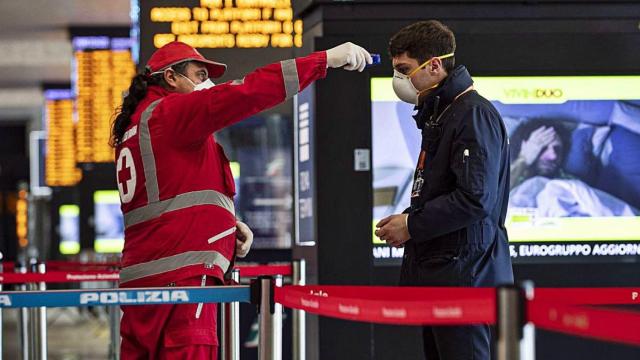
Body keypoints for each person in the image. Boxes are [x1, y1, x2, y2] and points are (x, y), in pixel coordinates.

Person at [111, 40, 372, 359]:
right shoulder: (170, 113)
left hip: (143, 284)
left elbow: (164, 198)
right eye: (199, 73)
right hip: (182, 280)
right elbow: (248, 91)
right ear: (171, 77)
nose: (207, 82)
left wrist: (223, 225)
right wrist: (324, 61)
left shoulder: (138, 126)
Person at [375, 20, 514, 359]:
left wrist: (412, 225)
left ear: (434, 65)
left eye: (405, 70)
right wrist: (409, 220)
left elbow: (474, 198)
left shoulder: (472, 114)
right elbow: (443, 191)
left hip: (464, 275)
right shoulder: (444, 113)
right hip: (444, 273)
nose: (399, 81)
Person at [509, 118, 572, 189]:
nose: (553, 156)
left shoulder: (568, 181)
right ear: (523, 147)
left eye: (557, 149)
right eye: (543, 148)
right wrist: (524, 159)